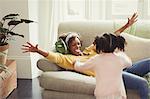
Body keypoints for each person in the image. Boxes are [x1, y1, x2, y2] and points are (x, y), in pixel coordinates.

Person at [22, 13, 149, 99]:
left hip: (123, 68)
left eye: (78, 44)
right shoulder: (70, 59)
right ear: (68, 48)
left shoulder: (90, 50)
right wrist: (38, 51)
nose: (77, 47)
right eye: (73, 45)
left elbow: (110, 38)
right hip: (116, 74)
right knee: (142, 83)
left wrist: (127, 25)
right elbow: (55, 57)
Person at [74, 33, 131, 99]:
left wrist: (76, 63)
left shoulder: (96, 59)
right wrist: (120, 52)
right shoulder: (120, 58)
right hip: (119, 94)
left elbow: (81, 67)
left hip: (102, 95)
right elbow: (129, 63)